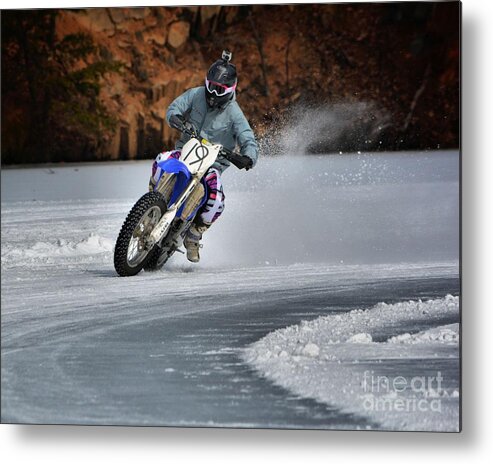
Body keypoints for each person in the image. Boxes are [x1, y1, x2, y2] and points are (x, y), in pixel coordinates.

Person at [150, 50, 258, 263]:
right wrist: (177, 118)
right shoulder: (196, 94)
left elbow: (248, 138)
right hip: (185, 151)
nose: (214, 94)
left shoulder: (235, 113)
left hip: (212, 164)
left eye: (220, 90)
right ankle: (150, 203)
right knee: (160, 160)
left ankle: (194, 235)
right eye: (211, 87)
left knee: (217, 200)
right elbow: (175, 107)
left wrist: (248, 157)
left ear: (231, 89)